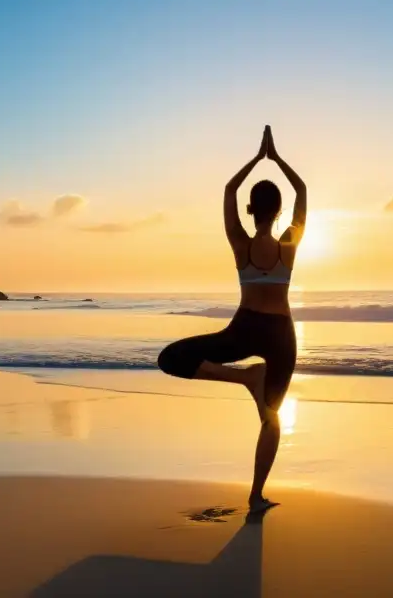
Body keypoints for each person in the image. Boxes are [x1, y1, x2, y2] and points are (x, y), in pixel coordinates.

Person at [157, 125, 305, 514]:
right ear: (279, 212)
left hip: (244, 327)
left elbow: (228, 191)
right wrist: (277, 159)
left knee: (169, 358)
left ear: (251, 210)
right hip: (280, 334)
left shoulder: (240, 244)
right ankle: (255, 496)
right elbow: (303, 191)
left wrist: (256, 159)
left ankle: (244, 377)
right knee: (270, 418)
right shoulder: (289, 245)